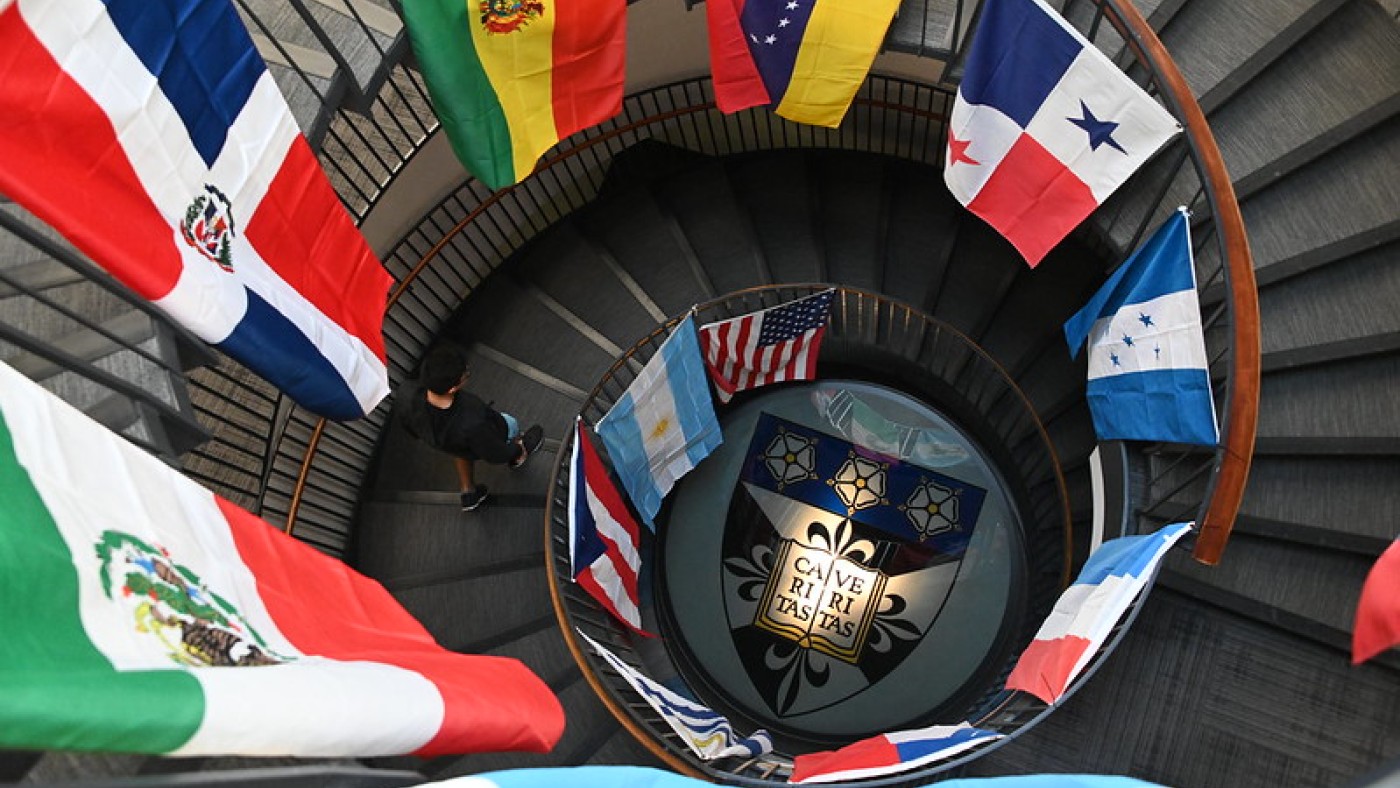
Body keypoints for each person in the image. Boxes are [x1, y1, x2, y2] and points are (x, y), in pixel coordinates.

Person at [403, 345, 544, 512]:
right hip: (480, 438)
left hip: (448, 443)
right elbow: (495, 453)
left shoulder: (407, 394)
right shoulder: (472, 418)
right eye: (466, 374)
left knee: (460, 451)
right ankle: (520, 455)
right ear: (452, 389)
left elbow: (410, 428)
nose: (467, 371)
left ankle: (468, 491)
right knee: (511, 424)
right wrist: (513, 450)